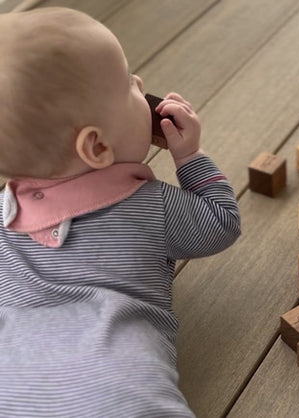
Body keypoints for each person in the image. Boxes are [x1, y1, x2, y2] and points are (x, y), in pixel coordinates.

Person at [0, 7, 240, 417]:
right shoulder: (151, 206)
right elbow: (221, 223)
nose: (141, 84)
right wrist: (190, 157)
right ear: (96, 148)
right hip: (111, 383)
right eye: (129, 83)